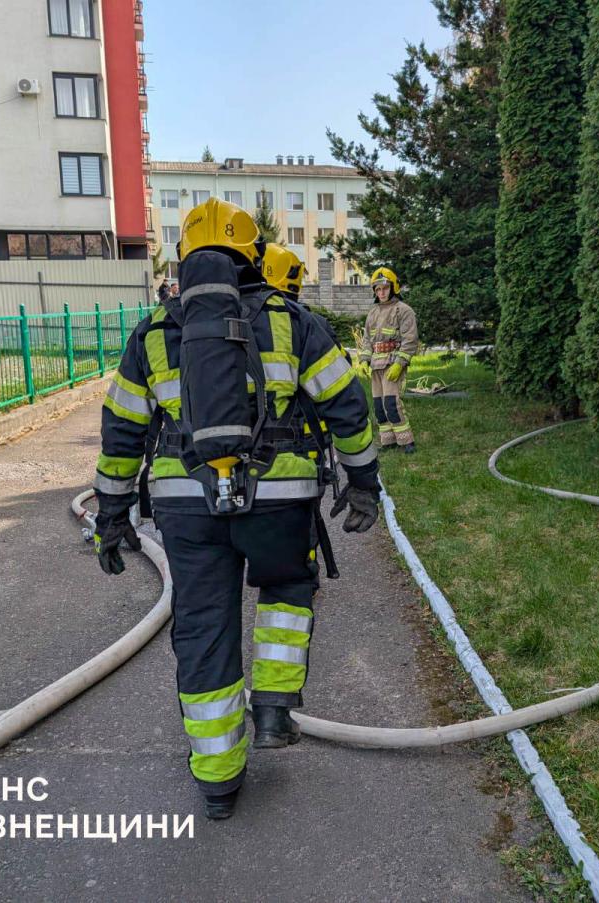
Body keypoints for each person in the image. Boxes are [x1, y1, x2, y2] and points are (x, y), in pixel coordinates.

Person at [91, 198, 380, 820]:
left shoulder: (152, 332)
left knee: (203, 625)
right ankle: (274, 710)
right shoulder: (292, 321)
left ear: (183, 258)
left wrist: (112, 517)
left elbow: (121, 434)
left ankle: (218, 778)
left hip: (185, 508)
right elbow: (345, 406)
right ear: (253, 256)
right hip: (279, 497)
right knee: (287, 582)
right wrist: (364, 484)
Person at [358, 267, 418, 453]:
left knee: (391, 403)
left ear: (393, 288)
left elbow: (410, 339)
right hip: (376, 364)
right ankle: (388, 440)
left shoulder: (404, 310)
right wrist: (363, 360)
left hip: (393, 363)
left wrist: (400, 364)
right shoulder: (373, 312)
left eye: (384, 288)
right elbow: (368, 339)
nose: (381, 292)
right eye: (377, 289)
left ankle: (406, 441)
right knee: (378, 405)